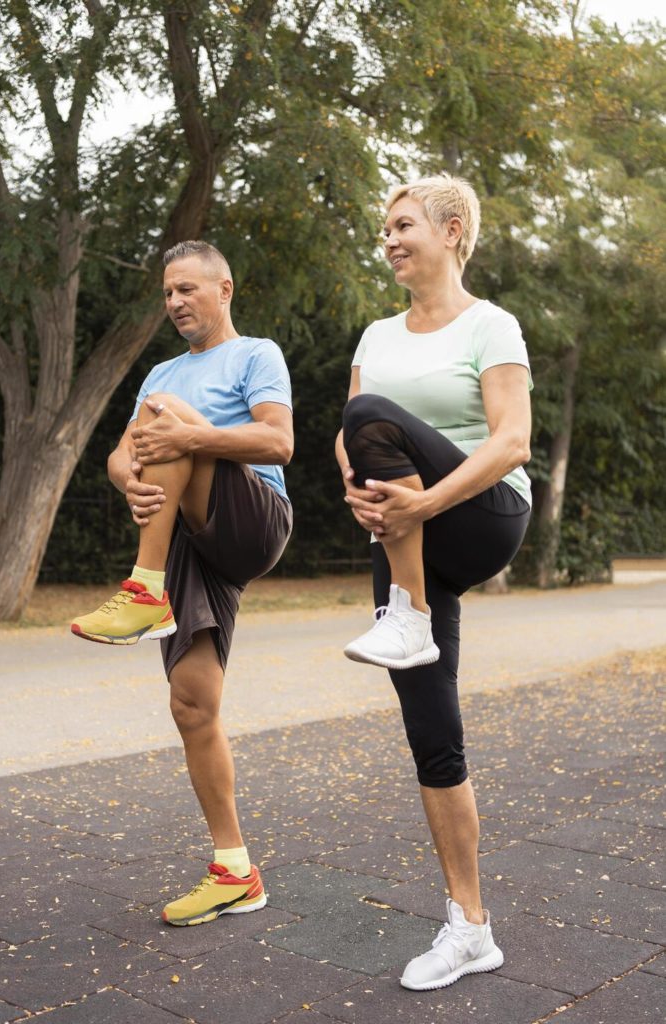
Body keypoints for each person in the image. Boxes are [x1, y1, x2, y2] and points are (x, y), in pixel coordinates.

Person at [335, 174, 532, 990]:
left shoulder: (492, 325)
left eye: (402, 224)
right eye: (384, 227)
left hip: (480, 512)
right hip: (404, 531)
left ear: (452, 232)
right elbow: (349, 445)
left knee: (372, 414)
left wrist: (419, 503)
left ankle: (407, 613)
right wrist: (360, 495)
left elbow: (512, 440)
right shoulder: (375, 334)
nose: (388, 239)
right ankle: (469, 927)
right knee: (433, 736)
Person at [71, 240, 293, 925]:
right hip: (189, 540)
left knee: (170, 420)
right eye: (168, 293)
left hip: (252, 517)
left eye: (187, 289)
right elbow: (118, 454)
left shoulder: (256, 354)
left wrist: (184, 440)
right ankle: (234, 870)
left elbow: (277, 443)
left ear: (224, 289)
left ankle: (142, 588)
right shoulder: (161, 370)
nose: (174, 303)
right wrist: (130, 482)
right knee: (192, 704)